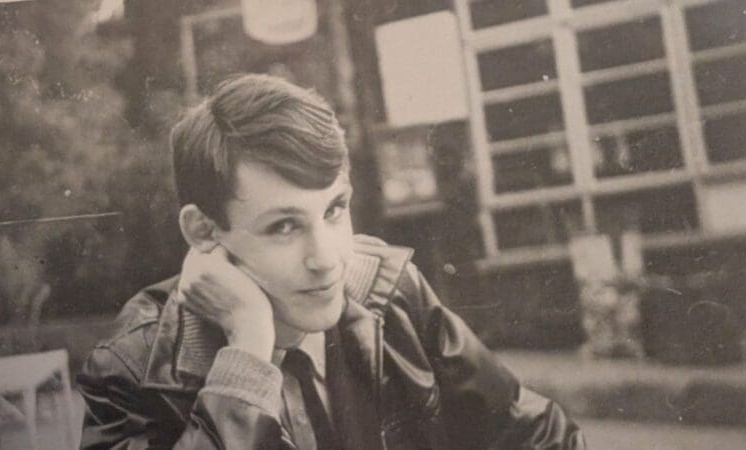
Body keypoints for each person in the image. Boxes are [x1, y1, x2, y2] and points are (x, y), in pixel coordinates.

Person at [77, 73, 585, 449]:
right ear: (203, 231)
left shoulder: (388, 291)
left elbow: (546, 439)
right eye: (284, 226)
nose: (327, 260)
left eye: (335, 209)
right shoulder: (134, 364)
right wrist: (247, 356)